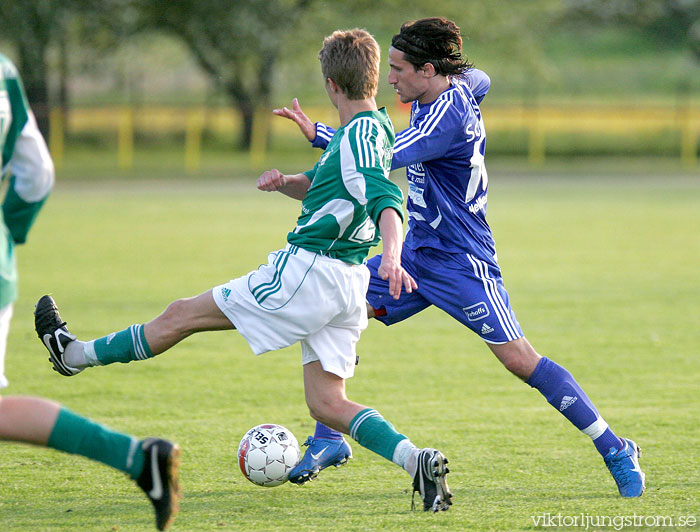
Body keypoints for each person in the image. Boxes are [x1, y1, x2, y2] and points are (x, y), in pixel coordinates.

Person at [35, 29, 453, 512]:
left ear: (331, 85)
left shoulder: (356, 138)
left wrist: (395, 254)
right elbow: (333, 188)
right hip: (347, 284)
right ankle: (415, 459)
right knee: (328, 405)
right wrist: (287, 184)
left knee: (182, 315)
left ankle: (75, 355)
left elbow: (385, 198)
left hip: (309, 274)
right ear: (374, 79)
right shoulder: (375, 128)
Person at [274, 17, 645, 498]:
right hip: (413, 257)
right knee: (331, 308)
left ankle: (617, 448)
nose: (390, 79)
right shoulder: (450, 87)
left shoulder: (444, 118)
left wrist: (322, 134)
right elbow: (480, 78)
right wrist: (464, 78)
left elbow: (382, 155)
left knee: (519, 360)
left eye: (400, 69)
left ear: (428, 71)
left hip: (461, 262)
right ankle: (329, 438)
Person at [0, 53, 180, 531]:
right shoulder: (4, 70)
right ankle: (136, 458)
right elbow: (36, 173)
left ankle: (135, 457)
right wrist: (7, 232)